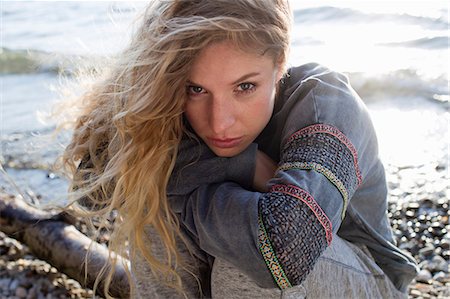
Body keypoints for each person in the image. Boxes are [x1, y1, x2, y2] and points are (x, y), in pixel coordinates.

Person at [61, 0, 418, 298]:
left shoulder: (328, 103)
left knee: (243, 257)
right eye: (196, 89)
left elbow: (287, 251)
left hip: (368, 280)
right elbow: (93, 183)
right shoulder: (172, 103)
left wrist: (198, 185)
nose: (219, 123)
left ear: (280, 66)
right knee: (154, 210)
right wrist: (243, 166)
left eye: (245, 87)